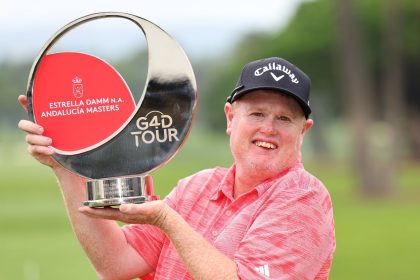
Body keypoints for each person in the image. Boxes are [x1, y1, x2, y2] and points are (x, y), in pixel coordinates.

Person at [18, 57, 335, 279]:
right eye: (256, 114)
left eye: (284, 118)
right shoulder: (198, 187)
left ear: (303, 130)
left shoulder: (303, 200)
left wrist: (167, 220)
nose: (268, 128)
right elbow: (116, 264)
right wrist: (64, 167)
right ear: (229, 118)